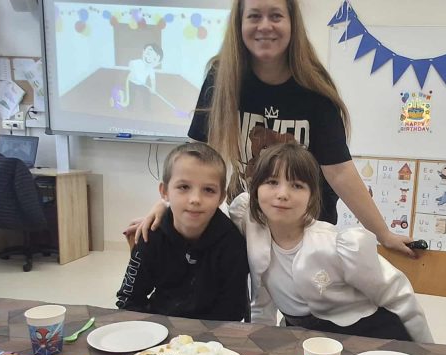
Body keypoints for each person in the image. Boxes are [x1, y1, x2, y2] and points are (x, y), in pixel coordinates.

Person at [126, 0, 414, 258]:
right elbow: (196, 157)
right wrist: (166, 204)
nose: (265, 26)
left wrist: (382, 233)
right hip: (250, 224)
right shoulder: (221, 77)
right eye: (254, 16)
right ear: (239, 24)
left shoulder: (313, 87)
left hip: (306, 231)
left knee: (301, 301)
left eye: (276, 16)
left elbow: (339, 171)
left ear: (292, 23)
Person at [229, 143, 433, 342]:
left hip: (367, 334)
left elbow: (398, 295)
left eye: (297, 185)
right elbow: (261, 295)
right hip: (303, 335)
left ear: (311, 197)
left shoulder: (337, 245)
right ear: (255, 188)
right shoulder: (249, 223)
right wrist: (260, 340)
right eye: (272, 182)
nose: (282, 194)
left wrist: (427, 351)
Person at [115, 142, 248, 321]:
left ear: (221, 197)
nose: (195, 199)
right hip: (159, 328)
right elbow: (128, 300)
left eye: (208, 190)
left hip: (211, 332)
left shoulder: (232, 244)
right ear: (164, 192)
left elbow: (233, 311)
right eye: (184, 187)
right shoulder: (151, 234)